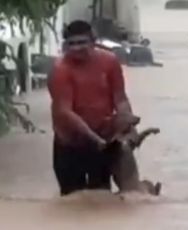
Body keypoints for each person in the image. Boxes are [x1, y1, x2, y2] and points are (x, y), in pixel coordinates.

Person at [48, 20, 136, 196]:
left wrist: (127, 122)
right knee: (72, 201)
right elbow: (65, 112)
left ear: (93, 41)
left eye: (82, 42)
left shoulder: (110, 62)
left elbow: (120, 98)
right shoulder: (60, 70)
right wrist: (94, 139)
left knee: (102, 198)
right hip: (70, 145)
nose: (76, 48)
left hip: (103, 140)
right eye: (71, 44)